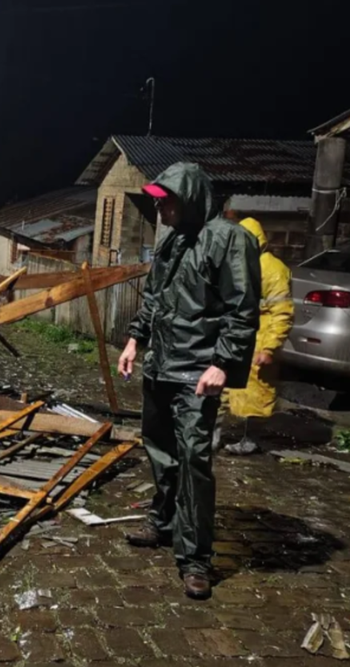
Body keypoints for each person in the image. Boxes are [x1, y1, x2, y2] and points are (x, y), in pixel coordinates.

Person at [117, 162, 261, 600]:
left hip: (197, 373)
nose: (160, 209)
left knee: (194, 459)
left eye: (167, 201)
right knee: (160, 451)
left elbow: (243, 308)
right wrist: (134, 340)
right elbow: (156, 298)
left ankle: (195, 558)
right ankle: (162, 523)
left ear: (190, 198)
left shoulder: (229, 240)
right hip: (161, 365)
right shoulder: (171, 242)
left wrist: (223, 362)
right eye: (158, 202)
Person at [219, 218, 294, 455]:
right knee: (220, 390)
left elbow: (282, 313)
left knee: (256, 396)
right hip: (236, 340)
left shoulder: (273, 270)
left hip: (258, 343)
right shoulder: (239, 265)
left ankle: (250, 439)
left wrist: (269, 348)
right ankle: (212, 437)